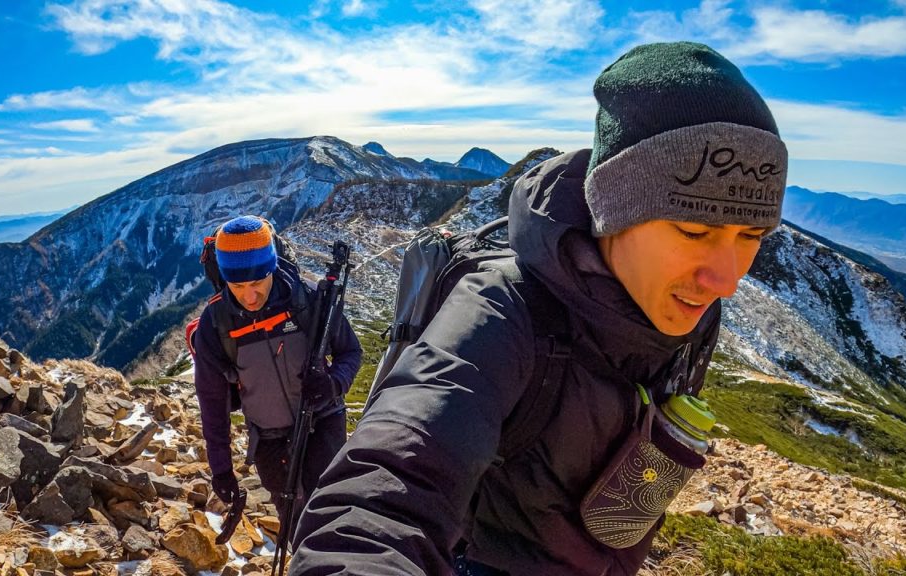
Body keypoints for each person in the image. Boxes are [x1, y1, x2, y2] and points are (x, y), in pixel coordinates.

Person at [288, 41, 788, 576]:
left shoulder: (685, 311)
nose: (727, 280)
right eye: (693, 230)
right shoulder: (502, 311)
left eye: (752, 235)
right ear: (613, 211)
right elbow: (386, 491)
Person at [192, 215, 362, 539]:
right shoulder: (215, 326)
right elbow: (212, 405)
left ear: (272, 267)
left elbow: (350, 353)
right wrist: (222, 470)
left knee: (332, 511)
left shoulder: (309, 301)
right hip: (269, 441)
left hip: (322, 421)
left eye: (257, 282)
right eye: (238, 286)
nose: (250, 296)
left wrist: (333, 385)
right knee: (295, 524)